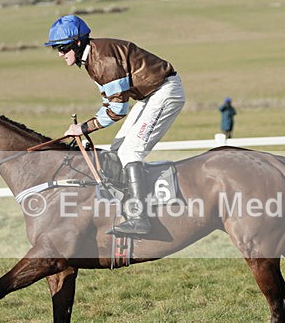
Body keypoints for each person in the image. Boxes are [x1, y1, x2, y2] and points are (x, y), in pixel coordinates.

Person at [45, 14, 185, 236]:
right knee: (117, 150)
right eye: (56, 49)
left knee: (131, 151)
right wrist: (84, 127)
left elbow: (118, 110)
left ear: (78, 43)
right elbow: (109, 102)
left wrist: (82, 128)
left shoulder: (103, 61)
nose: (60, 54)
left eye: (63, 48)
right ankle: (129, 209)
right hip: (150, 95)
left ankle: (141, 218)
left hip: (164, 92)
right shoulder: (92, 59)